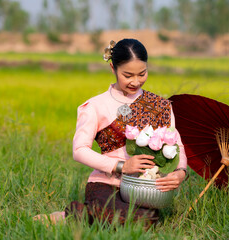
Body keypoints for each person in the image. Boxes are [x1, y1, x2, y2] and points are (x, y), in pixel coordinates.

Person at [34, 38, 188, 227]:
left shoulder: (160, 106)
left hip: (143, 186)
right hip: (105, 182)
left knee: (146, 220)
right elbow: (79, 150)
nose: (136, 81)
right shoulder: (96, 106)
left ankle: (87, 215)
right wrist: (122, 166)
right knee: (123, 218)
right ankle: (68, 217)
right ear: (113, 69)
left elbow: (177, 144)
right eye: (128, 75)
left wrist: (180, 172)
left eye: (142, 74)